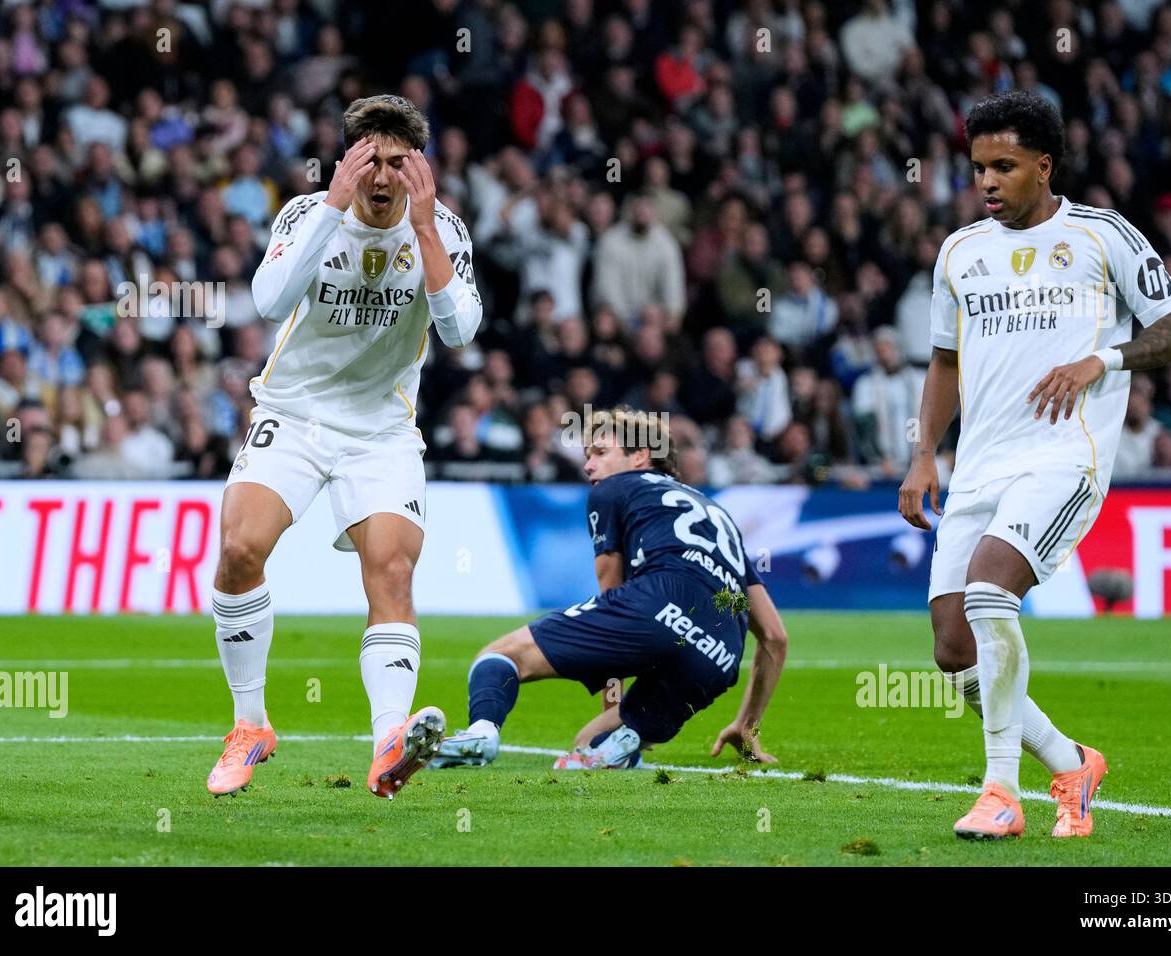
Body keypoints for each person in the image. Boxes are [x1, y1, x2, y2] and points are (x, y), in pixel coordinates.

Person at [898, 91, 1171, 840]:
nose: (988, 182)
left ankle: (1000, 794)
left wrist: (1102, 359)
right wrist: (922, 455)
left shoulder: (1103, 236)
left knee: (990, 591)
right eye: (977, 169)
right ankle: (1072, 763)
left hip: (1064, 459)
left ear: (1044, 164)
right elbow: (943, 361)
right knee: (950, 644)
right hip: (979, 466)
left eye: (1004, 166)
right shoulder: (960, 252)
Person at [204, 94, 483, 799]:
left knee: (389, 568)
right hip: (294, 413)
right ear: (349, 162)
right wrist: (331, 204)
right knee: (239, 550)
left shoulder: (442, 229)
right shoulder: (307, 215)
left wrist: (423, 230)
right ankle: (249, 726)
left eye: (397, 163)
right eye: (370, 162)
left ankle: (390, 740)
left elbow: (460, 333)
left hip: (380, 429)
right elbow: (268, 301)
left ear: (417, 168)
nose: (383, 177)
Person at [431, 407, 788, 771]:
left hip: (656, 608)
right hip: (718, 656)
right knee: (588, 744)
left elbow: (611, 599)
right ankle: (626, 740)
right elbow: (775, 636)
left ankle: (481, 732)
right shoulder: (719, 514)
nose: (589, 466)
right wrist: (748, 723)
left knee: (502, 655)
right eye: (588, 456)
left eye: (600, 453)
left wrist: (612, 700)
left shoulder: (615, 488)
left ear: (640, 456)